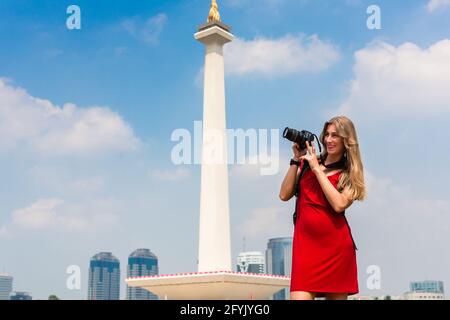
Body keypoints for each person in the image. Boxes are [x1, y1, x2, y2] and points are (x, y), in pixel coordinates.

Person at [279, 116, 366, 300]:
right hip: (305, 250)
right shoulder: (306, 164)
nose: (328, 140)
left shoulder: (349, 173)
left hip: (337, 252)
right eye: (326, 134)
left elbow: (339, 204)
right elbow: (284, 195)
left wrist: (317, 169)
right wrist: (296, 160)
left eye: (335, 135)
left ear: (346, 140)